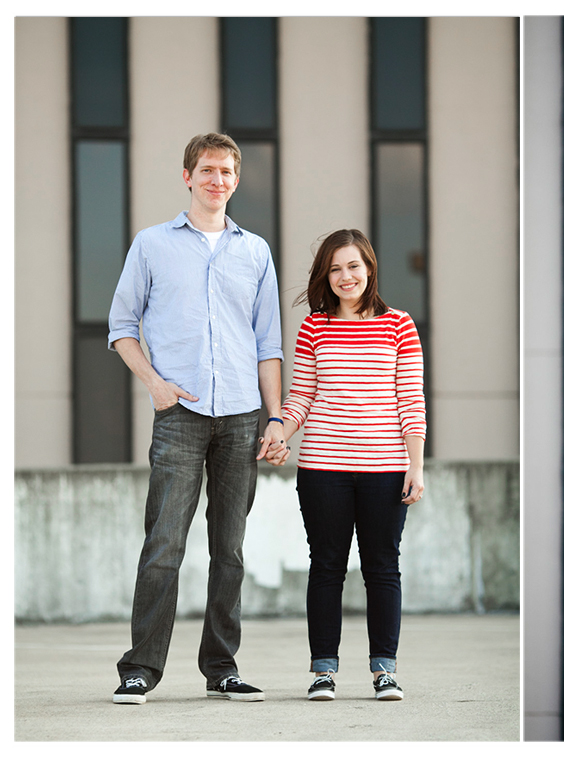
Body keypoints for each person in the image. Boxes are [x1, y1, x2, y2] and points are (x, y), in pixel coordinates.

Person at [108, 133, 284, 705]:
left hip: (240, 415)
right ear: (188, 175)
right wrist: (155, 385)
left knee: (229, 549)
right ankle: (140, 669)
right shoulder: (152, 245)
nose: (217, 181)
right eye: (207, 170)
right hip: (179, 412)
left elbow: (268, 344)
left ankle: (222, 668)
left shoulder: (255, 252)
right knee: (164, 544)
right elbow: (121, 326)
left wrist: (275, 417)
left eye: (227, 172)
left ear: (236, 179)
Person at [264, 228, 426, 702]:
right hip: (322, 469)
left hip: (385, 469)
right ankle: (323, 672)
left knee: (382, 568)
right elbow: (302, 399)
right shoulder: (314, 328)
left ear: (369, 268)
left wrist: (416, 465)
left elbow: (410, 401)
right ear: (325, 276)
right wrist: (279, 430)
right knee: (327, 567)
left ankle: (385, 672)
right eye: (335, 268)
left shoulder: (399, 325)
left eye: (352, 265)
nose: (344, 276)